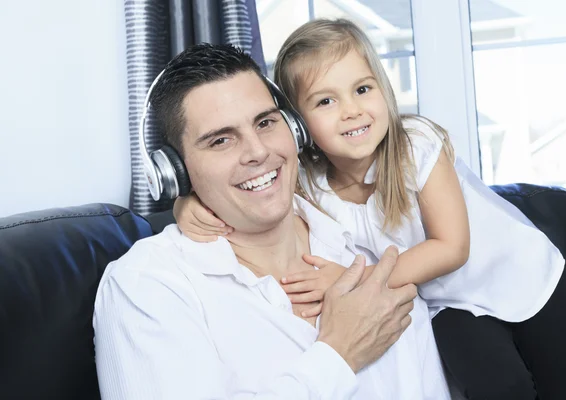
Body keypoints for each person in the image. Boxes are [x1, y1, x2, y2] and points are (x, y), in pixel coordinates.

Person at [174, 19, 566, 400]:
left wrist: (353, 282)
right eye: (326, 102)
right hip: (446, 303)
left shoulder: (415, 145)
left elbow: (451, 248)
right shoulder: (306, 182)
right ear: (296, 125)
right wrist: (186, 202)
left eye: (362, 89)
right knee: (498, 386)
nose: (352, 110)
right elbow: (246, 191)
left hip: (523, 279)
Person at [92, 42, 452, 399]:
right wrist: (338, 356)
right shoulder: (148, 286)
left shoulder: (372, 252)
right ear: (176, 173)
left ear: (295, 129)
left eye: (265, 122)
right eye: (220, 140)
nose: (259, 152)